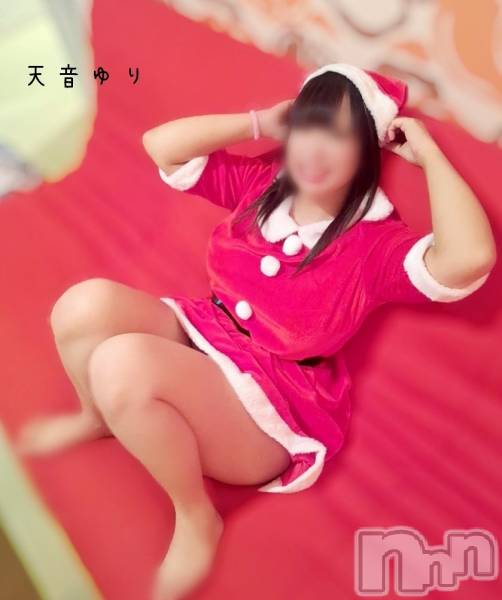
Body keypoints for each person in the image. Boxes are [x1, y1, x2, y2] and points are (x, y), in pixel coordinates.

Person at [17, 64, 496, 599]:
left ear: (367, 150)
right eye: (309, 126)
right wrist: (260, 122)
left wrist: (428, 155)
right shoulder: (264, 187)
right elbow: (162, 147)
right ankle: (96, 416)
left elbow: (469, 258)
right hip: (208, 334)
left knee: (119, 362)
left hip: (271, 403)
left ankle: (195, 516)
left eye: (338, 135)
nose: (315, 148)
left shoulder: (372, 246)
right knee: (82, 306)